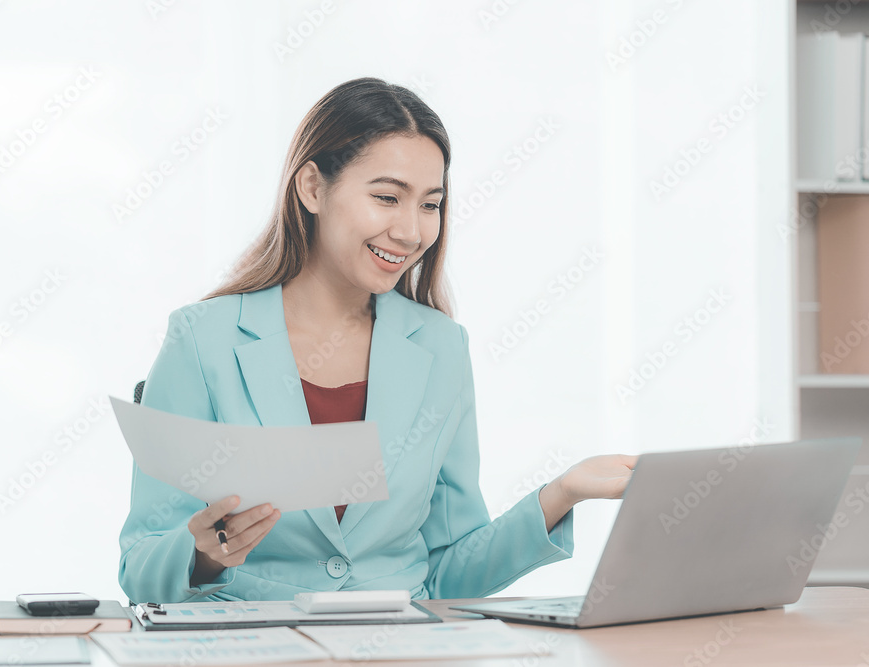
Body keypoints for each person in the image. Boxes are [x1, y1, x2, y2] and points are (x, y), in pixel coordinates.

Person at [117, 77, 636, 604]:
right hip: (251, 640)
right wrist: (203, 554)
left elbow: (449, 574)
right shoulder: (202, 340)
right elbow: (139, 566)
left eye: (430, 205)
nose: (411, 232)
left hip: (400, 641)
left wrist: (562, 494)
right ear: (312, 188)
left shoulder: (441, 348)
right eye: (387, 197)